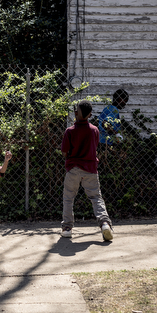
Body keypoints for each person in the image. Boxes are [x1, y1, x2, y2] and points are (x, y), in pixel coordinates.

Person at [61, 100, 114, 241]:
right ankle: (104, 224)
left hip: (73, 168)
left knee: (68, 198)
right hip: (90, 169)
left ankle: (67, 228)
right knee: (96, 198)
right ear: (90, 115)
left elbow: (65, 152)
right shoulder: (94, 130)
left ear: (75, 113)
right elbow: (94, 147)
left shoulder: (69, 131)